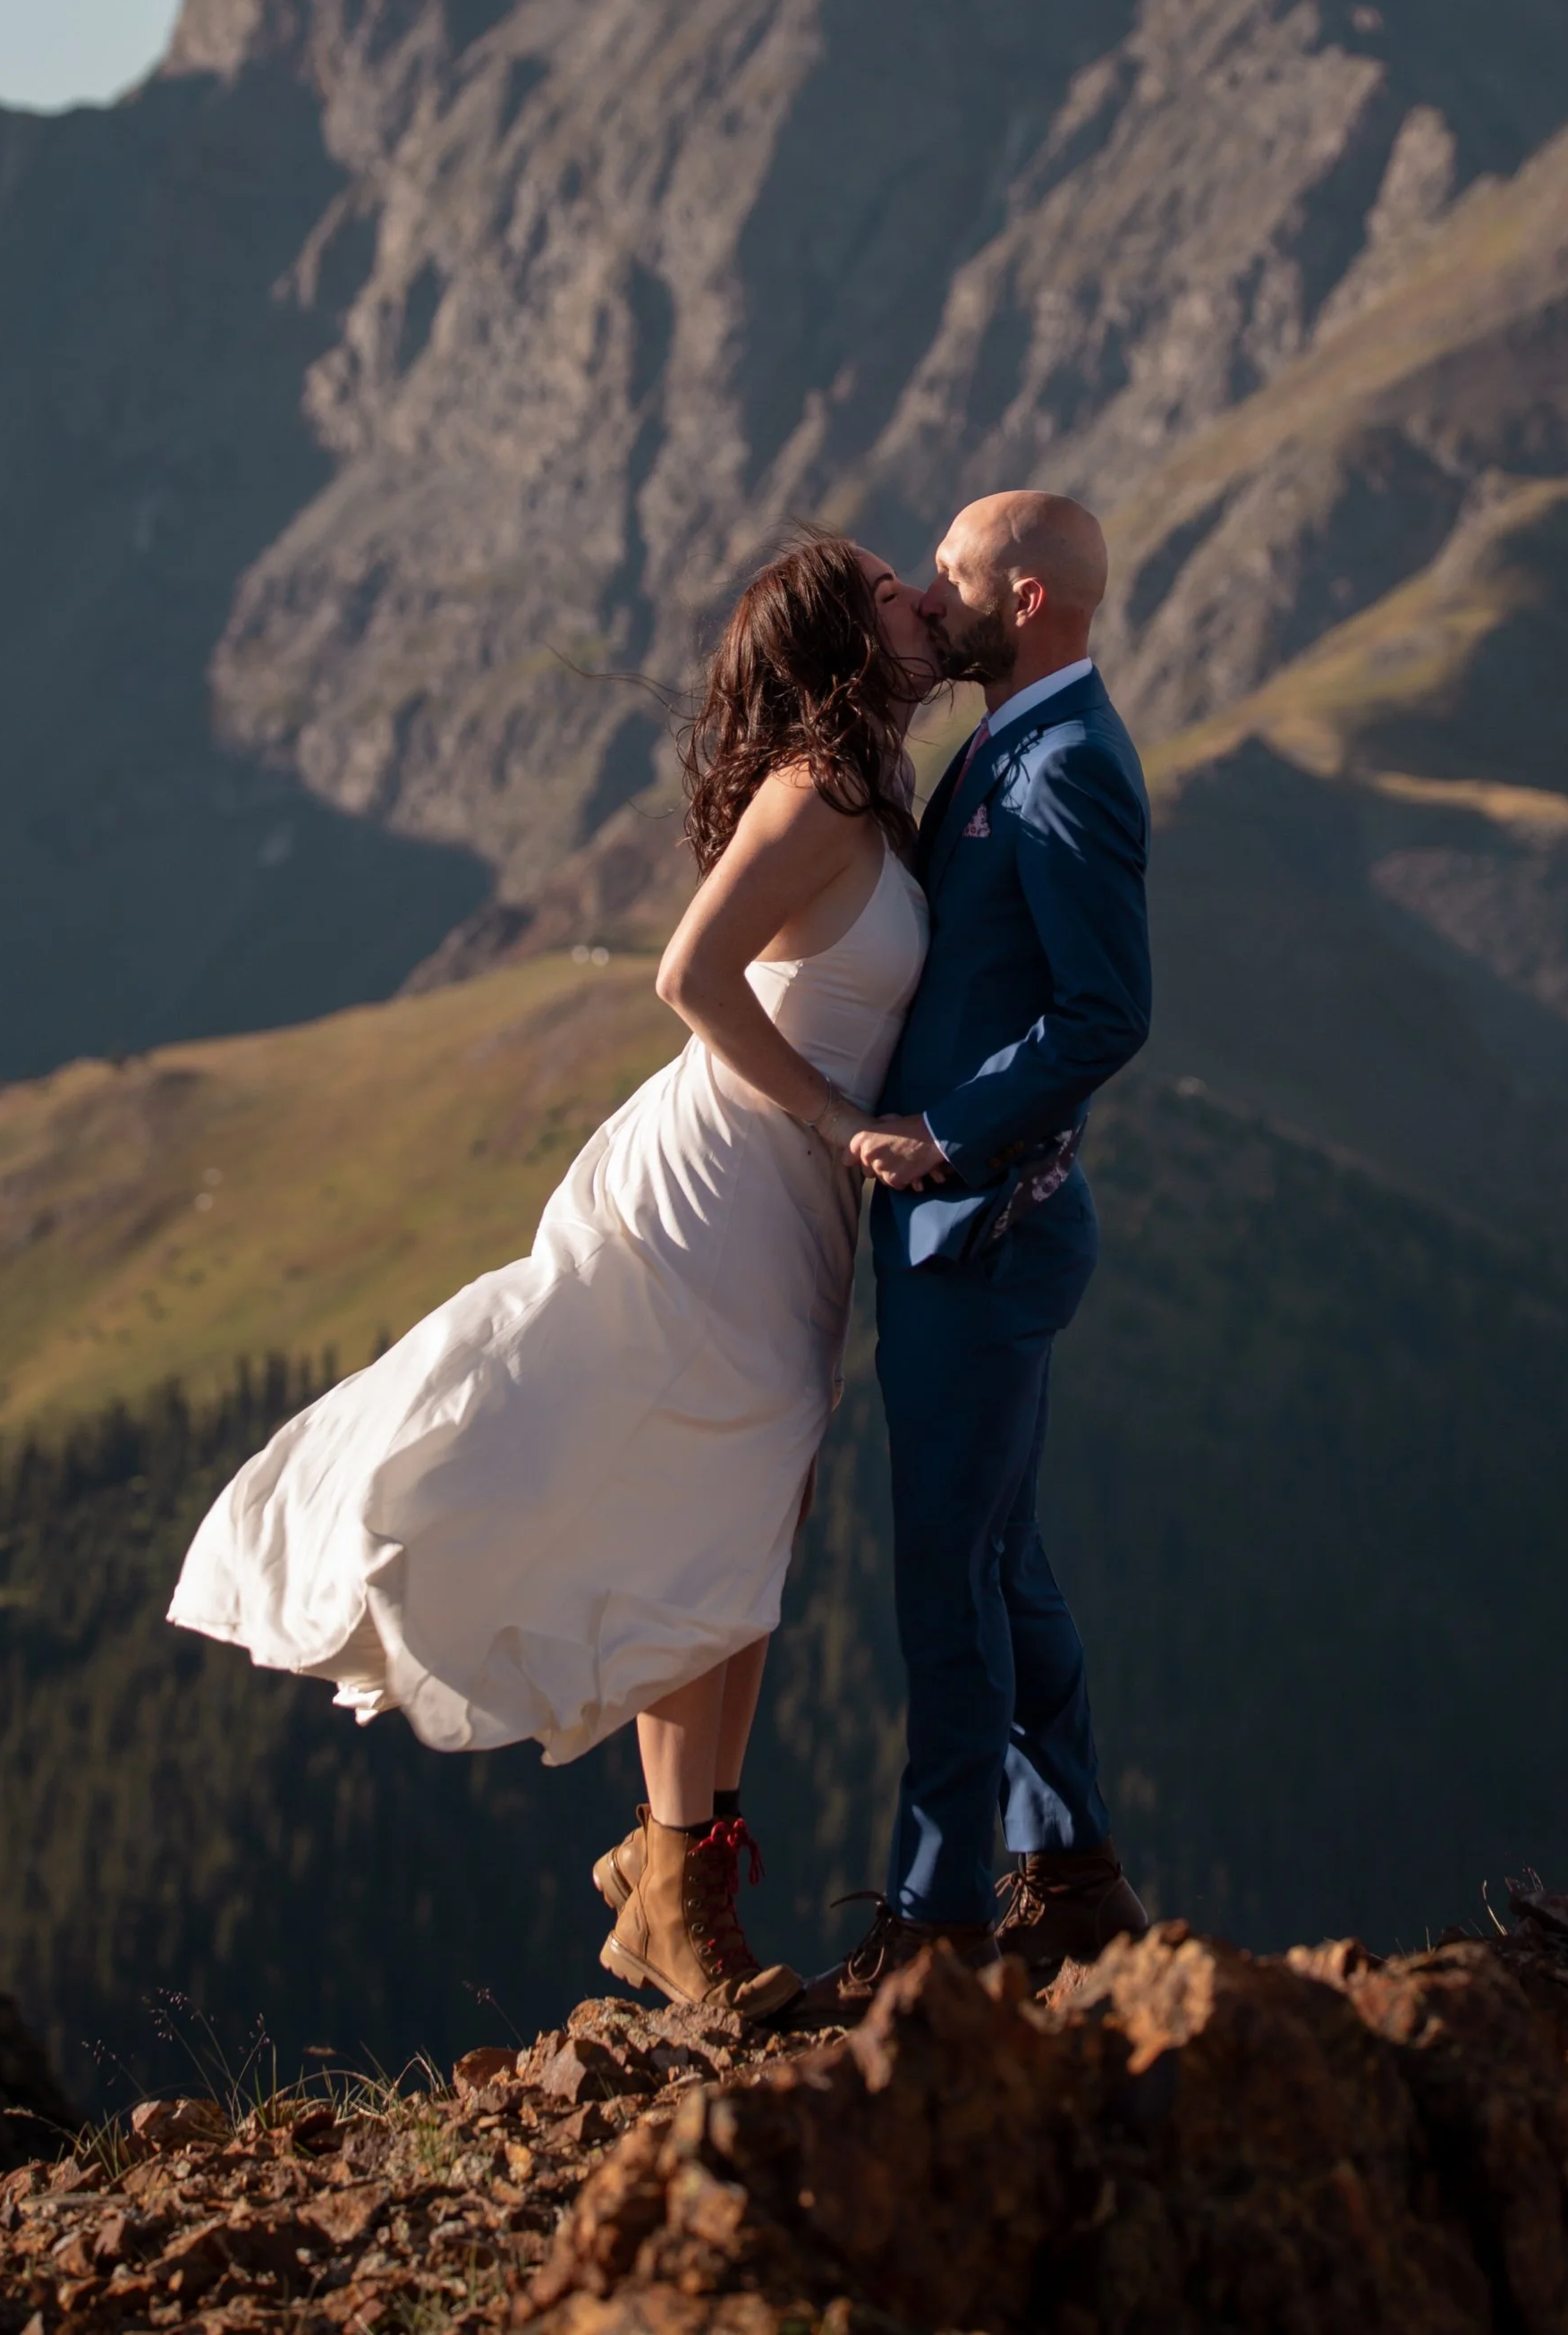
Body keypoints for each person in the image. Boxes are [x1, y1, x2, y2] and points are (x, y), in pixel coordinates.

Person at [167, 534, 937, 2027]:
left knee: (744, 1534)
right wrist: (841, 1120)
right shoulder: (817, 793)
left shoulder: (877, 797)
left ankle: (671, 1878)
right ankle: (676, 1894)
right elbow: (689, 976)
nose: (922, 601)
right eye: (895, 592)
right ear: (846, 640)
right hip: (718, 1188)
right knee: (696, 1516)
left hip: (784, 1210)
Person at [813, 489, 1153, 2008]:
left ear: (1020, 599)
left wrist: (946, 1132)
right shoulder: (1003, 742)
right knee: (1001, 1561)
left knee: (949, 1575)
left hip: (986, 1227)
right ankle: (1071, 1869)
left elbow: (1106, 1010)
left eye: (948, 579)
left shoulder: (1069, 760)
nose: (931, 603)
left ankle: (941, 1916)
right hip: (964, 1229)